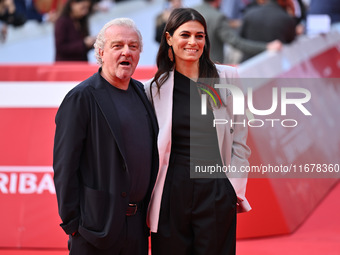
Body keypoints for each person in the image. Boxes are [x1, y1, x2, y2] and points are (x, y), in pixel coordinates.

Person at [144, 8, 251, 255]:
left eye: (199, 36)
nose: (193, 42)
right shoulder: (154, 89)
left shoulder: (227, 77)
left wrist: (231, 189)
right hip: (170, 192)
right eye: (185, 35)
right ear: (169, 38)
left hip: (215, 189)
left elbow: (240, 141)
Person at [53, 17, 159, 255]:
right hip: (95, 230)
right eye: (117, 45)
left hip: (137, 228)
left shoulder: (142, 94)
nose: (126, 52)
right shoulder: (81, 98)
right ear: (100, 52)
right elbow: (64, 167)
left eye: (133, 46)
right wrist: (74, 225)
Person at [194, 0, 282, 64]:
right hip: (210, 69)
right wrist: (266, 47)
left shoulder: (193, 11)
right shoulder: (218, 17)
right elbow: (237, 43)